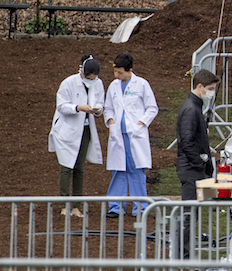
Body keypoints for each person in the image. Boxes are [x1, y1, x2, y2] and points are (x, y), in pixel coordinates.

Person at [48, 55, 105, 217]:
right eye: (89, 78)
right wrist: (78, 107)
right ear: (82, 72)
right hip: (67, 130)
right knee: (67, 166)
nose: (91, 81)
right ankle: (64, 205)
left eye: (94, 79)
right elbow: (61, 106)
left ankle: (76, 206)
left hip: (85, 131)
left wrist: (99, 109)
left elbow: (101, 101)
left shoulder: (98, 83)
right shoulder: (68, 83)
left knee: (80, 168)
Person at [104, 53, 159, 218]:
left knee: (136, 170)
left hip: (135, 135)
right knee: (118, 171)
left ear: (130, 70)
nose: (116, 76)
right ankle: (115, 207)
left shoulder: (141, 84)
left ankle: (141, 208)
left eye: (120, 73)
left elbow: (152, 108)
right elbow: (108, 108)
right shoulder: (113, 86)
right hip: (118, 135)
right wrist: (112, 123)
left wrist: (140, 124)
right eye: (115, 72)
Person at [175, 69, 219, 258]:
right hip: (191, 170)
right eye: (210, 89)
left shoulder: (194, 107)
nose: (212, 93)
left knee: (192, 215)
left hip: (194, 168)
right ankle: (183, 256)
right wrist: (200, 164)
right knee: (189, 215)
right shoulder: (191, 109)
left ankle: (186, 253)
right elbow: (186, 141)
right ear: (199, 86)